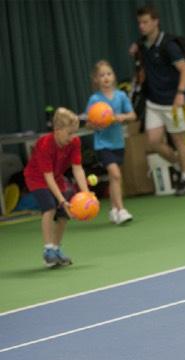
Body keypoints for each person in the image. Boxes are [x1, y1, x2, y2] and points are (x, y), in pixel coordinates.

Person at [128, 4, 185, 196]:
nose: (142, 26)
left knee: (179, 140)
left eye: (146, 22)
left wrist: (180, 93)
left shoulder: (169, 45)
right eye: (139, 22)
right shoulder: (141, 45)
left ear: (155, 22)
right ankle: (182, 166)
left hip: (174, 102)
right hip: (154, 103)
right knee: (153, 141)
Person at [23, 108, 91, 267]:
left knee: (64, 214)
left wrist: (86, 193)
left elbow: (77, 168)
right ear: (57, 130)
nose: (72, 137)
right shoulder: (45, 144)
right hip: (37, 178)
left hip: (57, 178)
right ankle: (48, 250)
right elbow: (47, 177)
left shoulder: (74, 142)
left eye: (74, 133)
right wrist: (61, 200)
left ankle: (56, 248)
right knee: (50, 207)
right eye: (69, 133)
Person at [86, 60, 137, 224]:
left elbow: (132, 115)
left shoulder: (121, 96)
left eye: (109, 74)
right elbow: (88, 123)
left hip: (118, 143)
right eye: (102, 75)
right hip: (103, 144)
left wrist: (122, 117)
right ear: (96, 79)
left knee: (115, 178)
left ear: (113, 76)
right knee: (115, 174)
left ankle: (114, 209)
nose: (106, 78)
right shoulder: (95, 99)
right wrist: (97, 122)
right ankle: (121, 210)